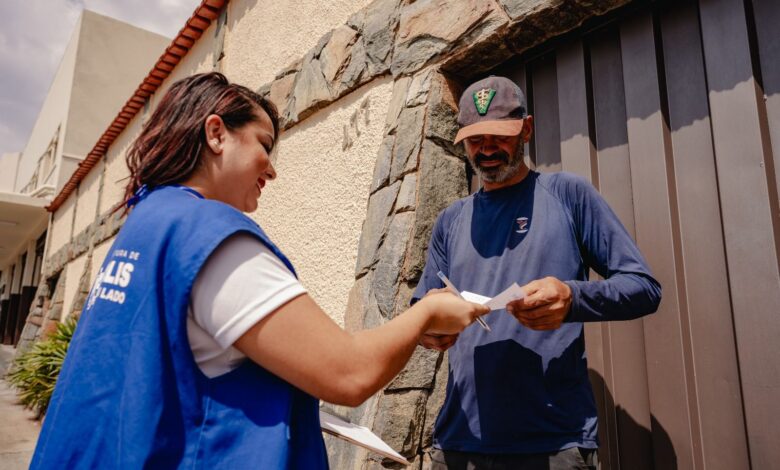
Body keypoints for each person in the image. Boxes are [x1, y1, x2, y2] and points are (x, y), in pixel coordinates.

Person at [30, 72, 489, 469]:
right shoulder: (208, 235)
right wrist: (426, 313)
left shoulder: (147, 223)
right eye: (264, 146)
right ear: (216, 133)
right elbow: (349, 374)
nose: (272, 171)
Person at [413, 76, 662, 469]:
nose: (487, 148)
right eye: (476, 139)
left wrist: (572, 297)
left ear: (526, 129)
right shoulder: (450, 221)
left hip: (553, 444)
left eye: (499, 135)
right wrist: (427, 328)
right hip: (459, 445)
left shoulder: (568, 195)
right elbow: (422, 307)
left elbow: (644, 288)